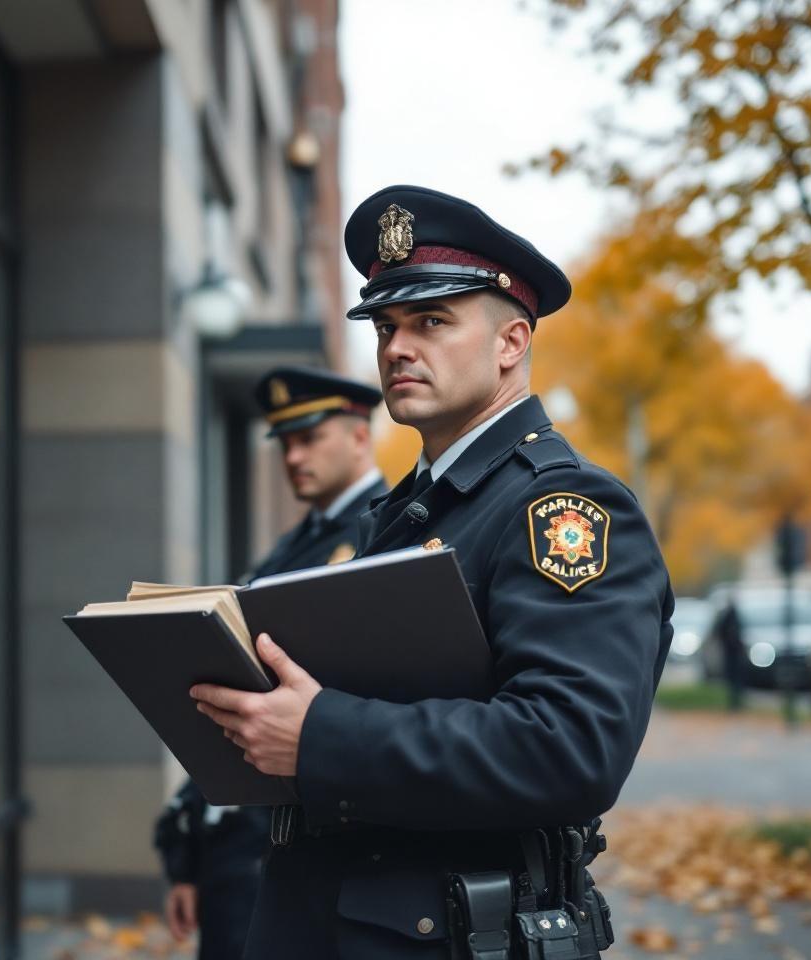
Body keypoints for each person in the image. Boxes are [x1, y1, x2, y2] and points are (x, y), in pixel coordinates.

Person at [190, 185, 675, 958]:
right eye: (385, 326)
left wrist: (321, 735)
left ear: (512, 342)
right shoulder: (417, 508)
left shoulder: (561, 506)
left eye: (431, 321)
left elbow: (571, 746)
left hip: (446, 934)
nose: (395, 348)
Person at [155, 367, 387, 959]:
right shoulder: (292, 546)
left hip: (299, 832)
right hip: (241, 837)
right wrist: (187, 852)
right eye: (285, 442)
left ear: (360, 436)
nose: (293, 456)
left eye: (310, 438)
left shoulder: (384, 535)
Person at [713, 592, 746, 710]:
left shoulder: (729, 614)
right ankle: (735, 702)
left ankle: (735, 701)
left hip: (732, 650)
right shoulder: (731, 614)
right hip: (732, 650)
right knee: (734, 678)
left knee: (734, 678)